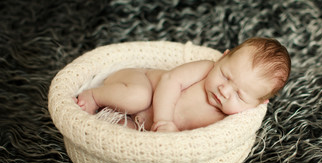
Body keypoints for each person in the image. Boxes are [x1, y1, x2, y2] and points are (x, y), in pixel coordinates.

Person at [75, 37, 291, 132]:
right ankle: (95, 96)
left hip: (140, 124)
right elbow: (170, 80)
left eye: (239, 95)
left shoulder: (229, 122)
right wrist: (163, 120)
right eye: (225, 76)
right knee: (138, 97)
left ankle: (102, 114)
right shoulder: (206, 69)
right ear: (222, 57)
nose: (224, 91)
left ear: (258, 103)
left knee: (127, 135)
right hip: (137, 82)